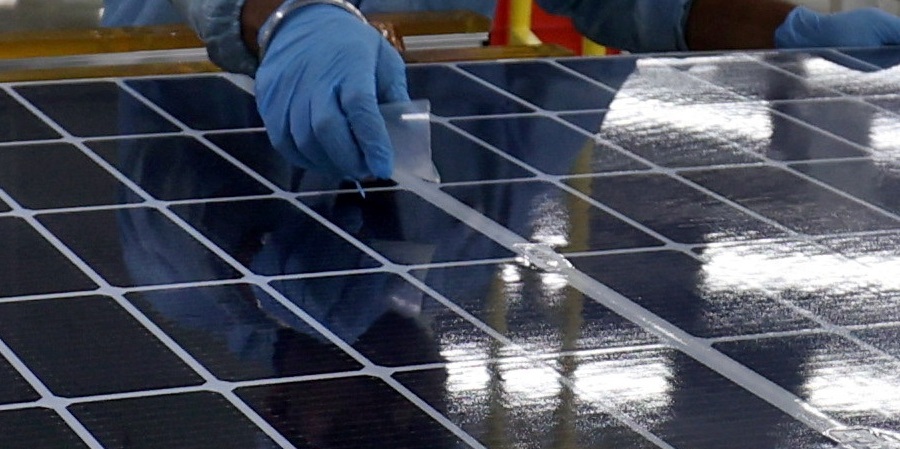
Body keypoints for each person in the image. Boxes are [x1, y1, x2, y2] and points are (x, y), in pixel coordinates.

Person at [103, 0, 900, 180]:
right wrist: (280, 16)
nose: (403, 403)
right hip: (188, 82)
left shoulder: (457, 265)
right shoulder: (195, 281)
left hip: (416, 81)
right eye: (415, 430)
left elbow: (632, 2)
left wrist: (780, 24)